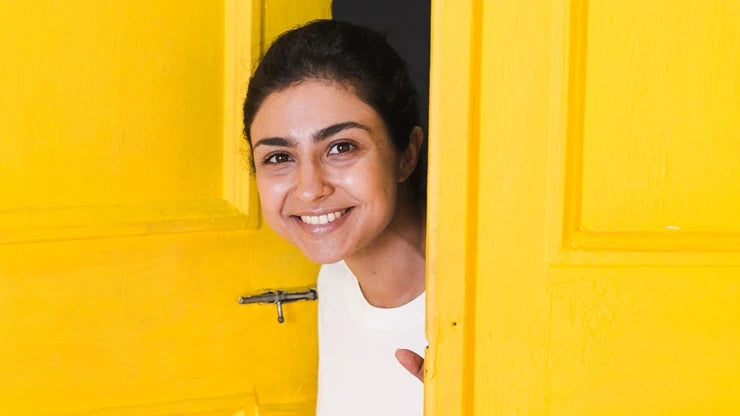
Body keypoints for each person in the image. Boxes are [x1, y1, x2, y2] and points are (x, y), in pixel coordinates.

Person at [242, 19, 427, 416]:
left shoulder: (489, 311)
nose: (310, 189)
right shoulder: (336, 281)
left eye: (341, 147)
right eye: (279, 157)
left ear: (406, 154)